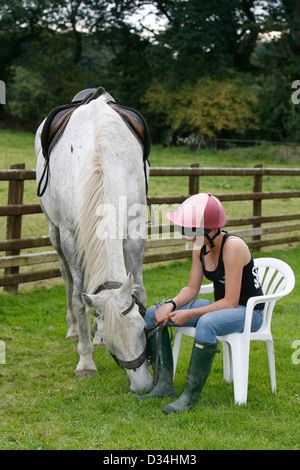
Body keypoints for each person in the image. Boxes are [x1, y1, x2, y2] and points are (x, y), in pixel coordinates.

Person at [138, 193, 264, 413]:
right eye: (185, 231)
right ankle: (164, 385)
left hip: (248, 312)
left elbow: (231, 301)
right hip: (223, 307)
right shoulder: (201, 246)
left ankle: (189, 397)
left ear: (212, 230)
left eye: (192, 232)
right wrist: (171, 304)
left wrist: (190, 315)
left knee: (206, 323)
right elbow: (192, 289)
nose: (188, 238)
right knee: (153, 313)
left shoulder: (233, 247)